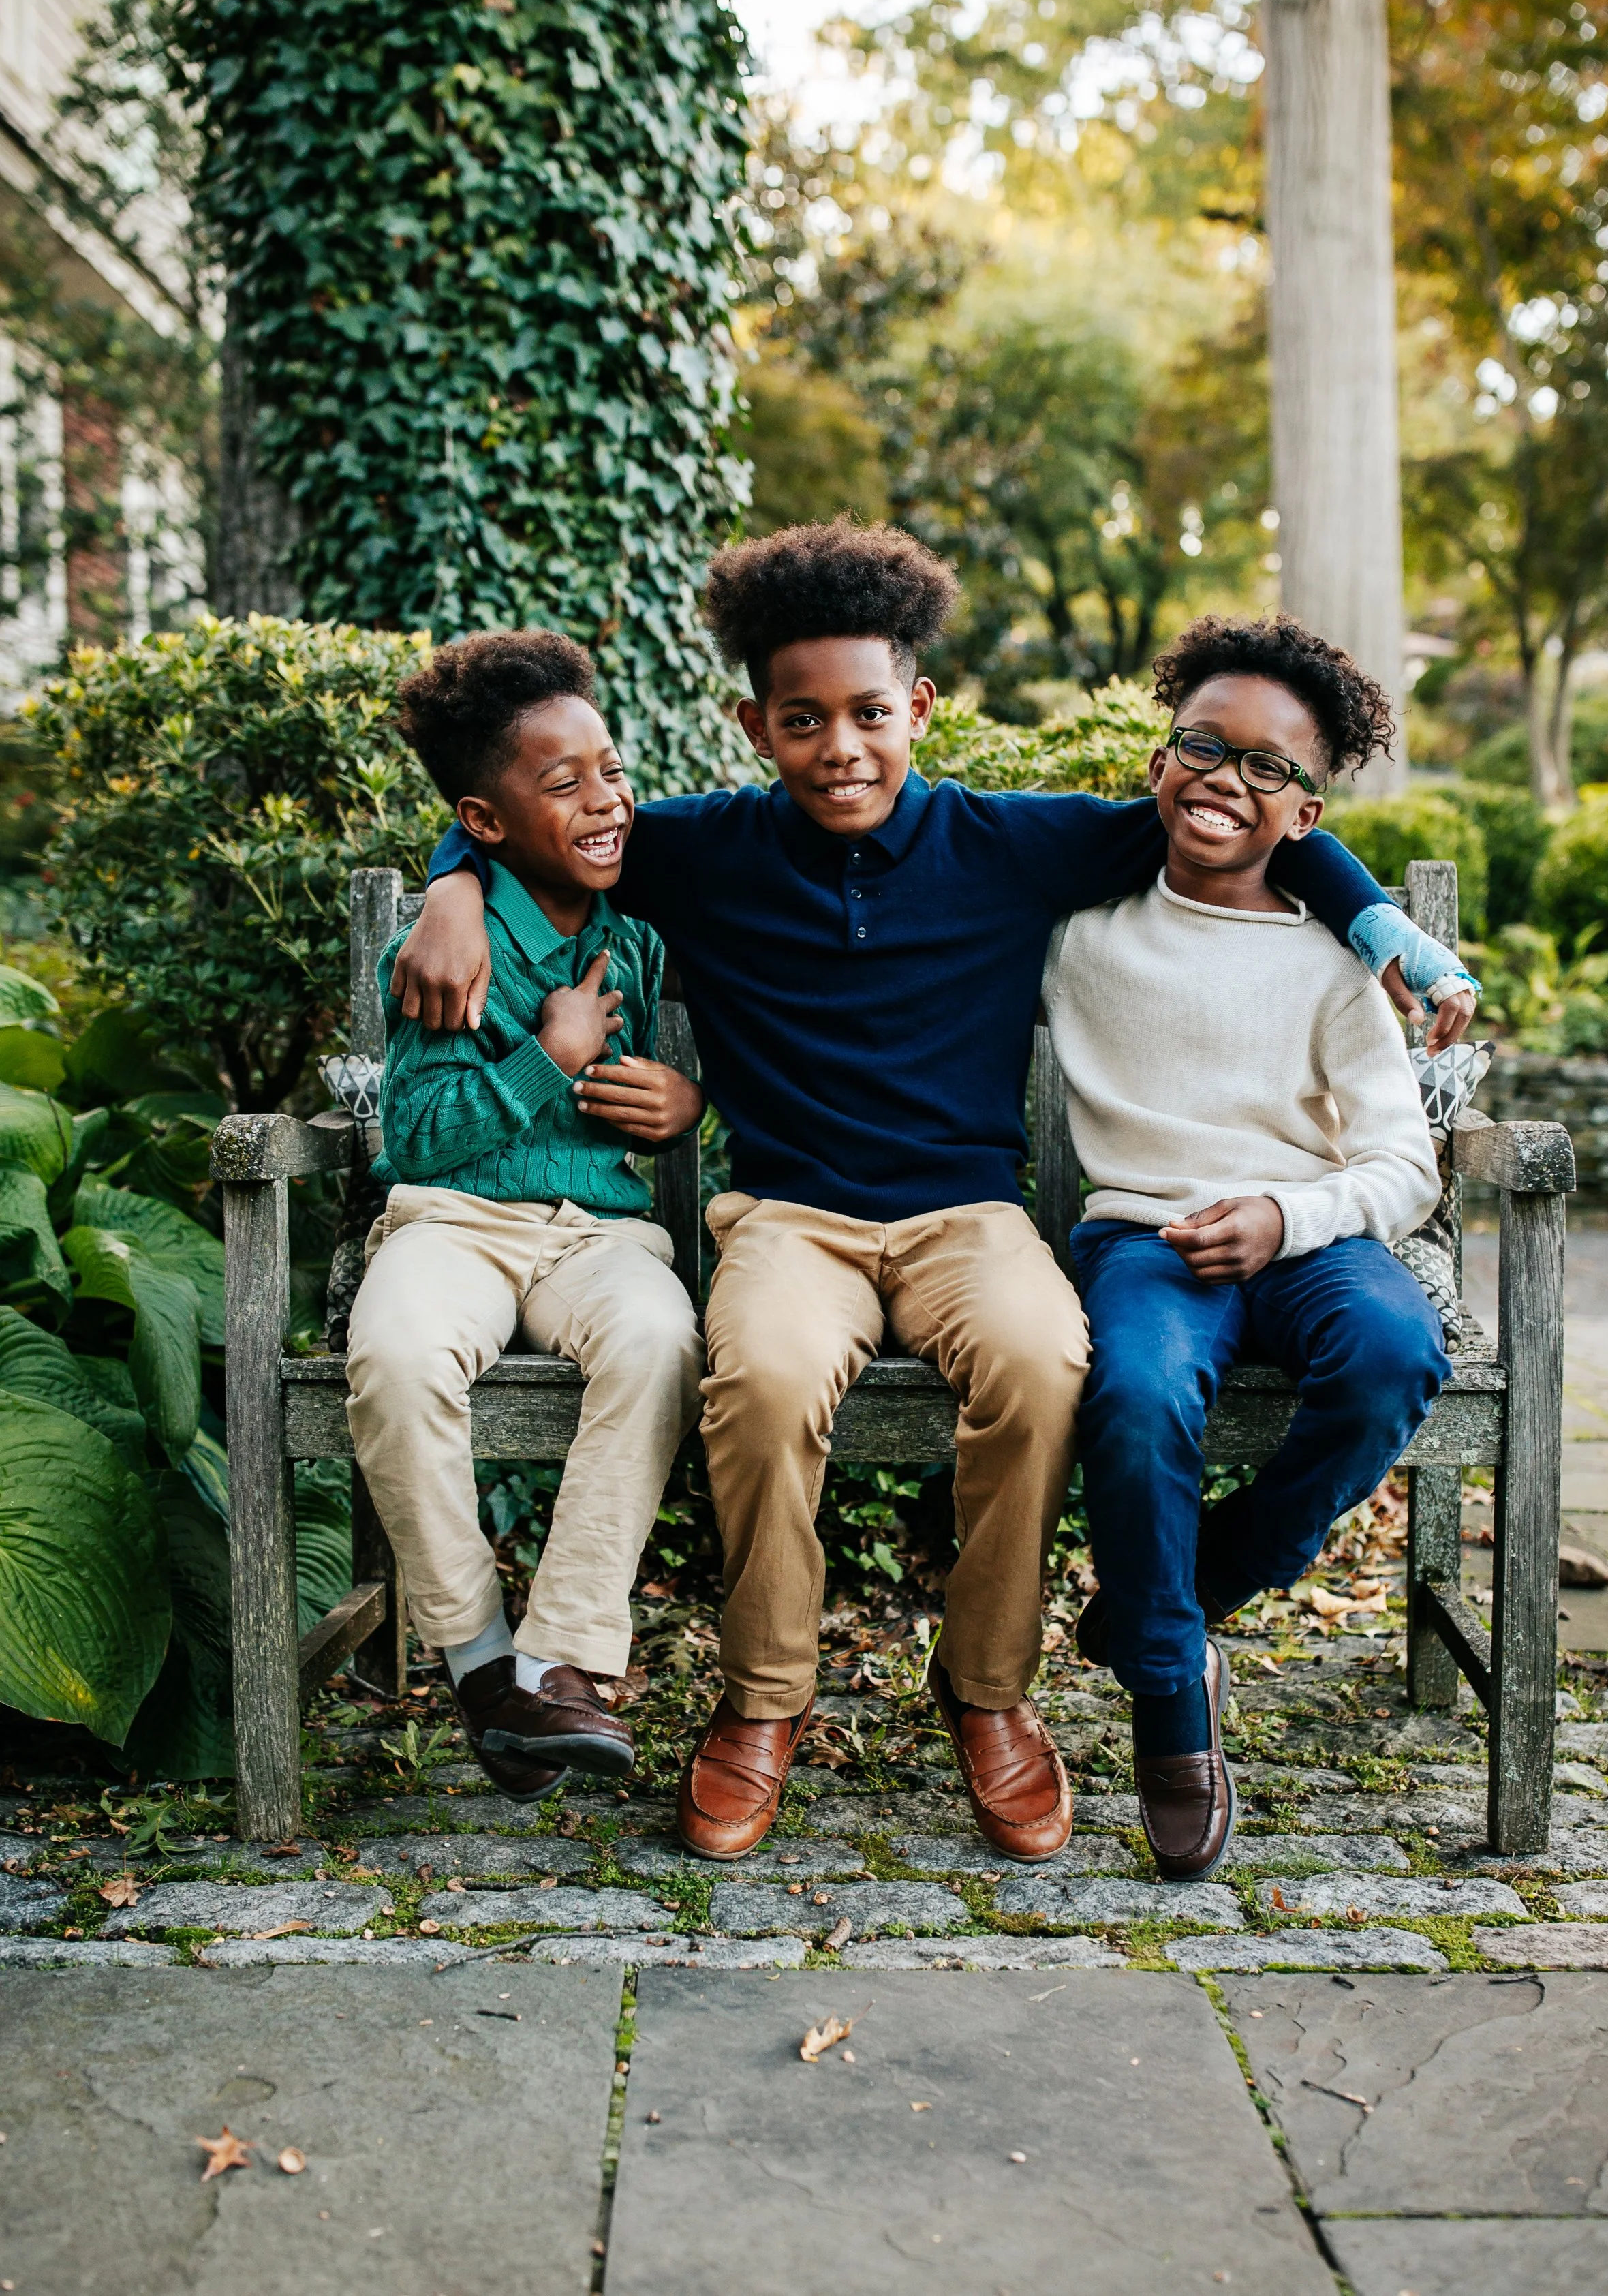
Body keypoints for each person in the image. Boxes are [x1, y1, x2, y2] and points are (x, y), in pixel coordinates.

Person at [392, 522, 1475, 1861]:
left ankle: (987, 1694)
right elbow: (543, 834)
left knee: (1038, 1363)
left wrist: (1375, 924)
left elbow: (1233, 814)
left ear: (918, 708)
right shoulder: (705, 851)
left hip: (971, 1219)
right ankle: (762, 1704)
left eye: (865, 714)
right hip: (790, 1222)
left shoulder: (1011, 845)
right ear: (754, 725)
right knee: (767, 1378)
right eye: (801, 720)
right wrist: (450, 888)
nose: (838, 747)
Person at [1047, 614, 1453, 1882]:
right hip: (1148, 1238)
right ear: (1160, 762)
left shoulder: (1337, 965)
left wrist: (1289, 1215)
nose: (1227, 776)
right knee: (1135, 1393)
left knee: (1395, 1351)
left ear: (1306, 814)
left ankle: (1202, 1583)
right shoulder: (1079, 926)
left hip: (1310, 1235)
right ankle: (1173, 1703)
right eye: (1202, 746)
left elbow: (1405, 1164)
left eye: (1268, 766)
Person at [345, 630, 705, 1800]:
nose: (604, 800)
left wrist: (687, 1102)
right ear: (484, 819)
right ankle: (481, 1662)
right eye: (564, 785)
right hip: (453, 1221)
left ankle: (559, 1667)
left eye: (610, 769)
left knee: (659, 1341)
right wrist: (549, 1056)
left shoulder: (636, 925)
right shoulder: (448, 947)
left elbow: (708, 1073)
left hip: (601, 1236)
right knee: (395, 1355)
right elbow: (417, 1137)